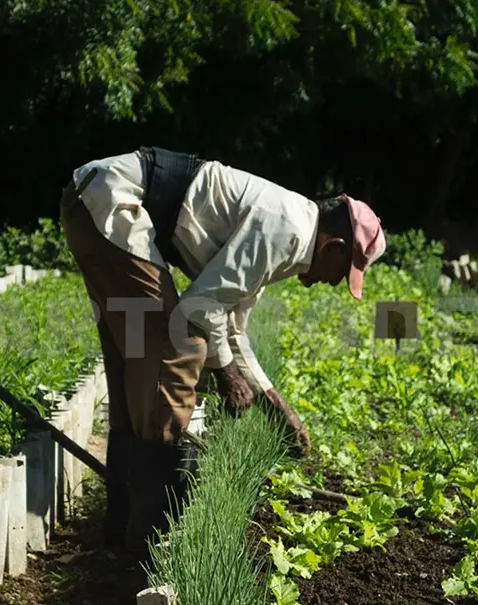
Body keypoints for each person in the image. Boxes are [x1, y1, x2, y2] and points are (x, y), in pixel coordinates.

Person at [58, 146, 386, 560]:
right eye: (345, 273)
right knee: (175, 350)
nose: (337, 282)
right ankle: (148, 542)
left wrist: (273, 404)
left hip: (92, 199)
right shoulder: (285, 231)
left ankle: (121, 524)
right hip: (115, 204)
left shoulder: (288, 230)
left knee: (136, 364)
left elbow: (232, 331)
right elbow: (199, 309)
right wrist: (226, 376)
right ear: (333, 248)